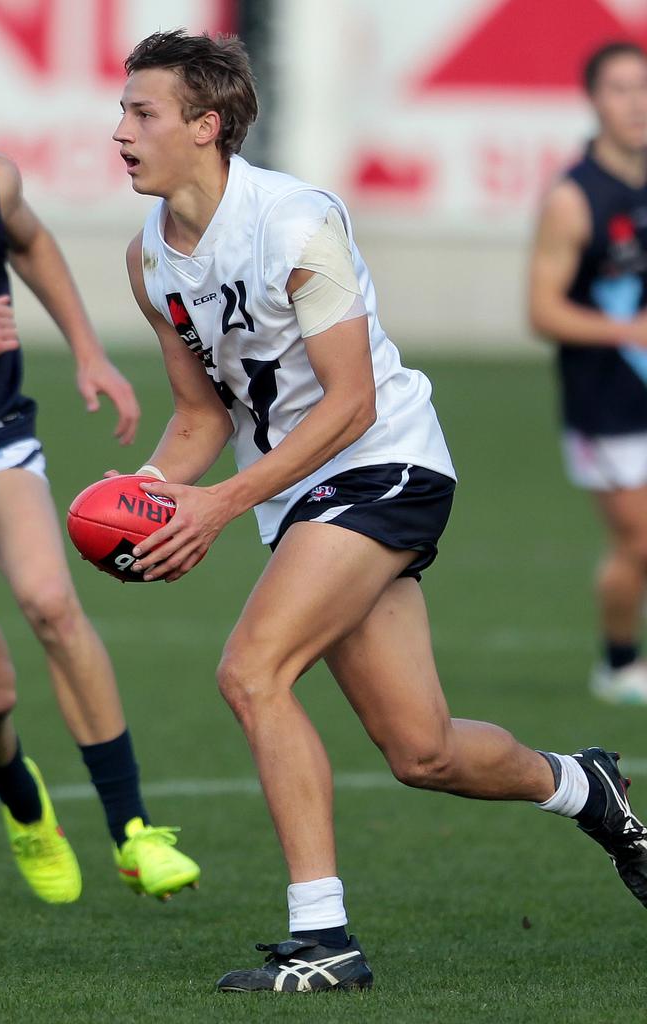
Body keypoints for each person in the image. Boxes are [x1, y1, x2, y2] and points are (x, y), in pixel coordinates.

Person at [115, 29, 647, 993]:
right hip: (303, 496)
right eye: (123, 109)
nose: (120, 131)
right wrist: (144, 496)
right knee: (422, 750)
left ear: (206, 124)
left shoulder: (295, 220)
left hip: (383, 464)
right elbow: (203, 414)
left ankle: (325, 940)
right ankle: (587, 787)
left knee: (251, 672)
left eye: (140, 112)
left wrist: (223, 505)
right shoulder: (150, 259)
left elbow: (352, 401)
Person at [0, 15, 199, 904]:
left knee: (53, 602)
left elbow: (32, 241)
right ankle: (25, 810)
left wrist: (89, 350)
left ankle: (134, 833)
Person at [530, 42, 647, 705]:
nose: (637, 103)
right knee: (639, 539)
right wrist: (627, 330)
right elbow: (541, 309)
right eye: (622, 89)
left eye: (644, 87)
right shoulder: (575, 198)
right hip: (604, 403)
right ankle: (620, 662)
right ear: (596, 100)